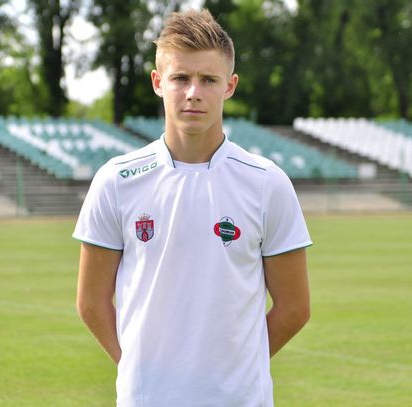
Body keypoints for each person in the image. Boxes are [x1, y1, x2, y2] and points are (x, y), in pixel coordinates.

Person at [73, 9, 312, 407]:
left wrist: (234, 370)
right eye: (180, 78)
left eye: (209, 80)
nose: (193, 92)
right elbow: (91, 301)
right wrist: (137, 370)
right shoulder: (116, 180)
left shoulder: (267, 182)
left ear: (230, 86)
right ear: (157, 82)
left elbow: (295, 307)